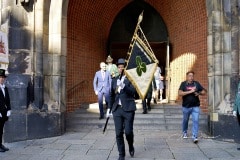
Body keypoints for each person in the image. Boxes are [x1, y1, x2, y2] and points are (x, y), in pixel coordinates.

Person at [107, 58, 136, 160]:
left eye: (122, 67)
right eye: (119, 67)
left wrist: (123, 85)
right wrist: (109, 108)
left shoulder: (131, 78)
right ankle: (121, 154)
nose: (120, 69)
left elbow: (133, 92)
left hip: (128, 109)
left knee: (128, 132)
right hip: (117, 109)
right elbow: (111, 94)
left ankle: (131, 145)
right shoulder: (114, 79)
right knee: (118, 133)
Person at [178, 71, 206, 143]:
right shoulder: (183, 84)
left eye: (192, 76)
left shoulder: (196, 83)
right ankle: (184, 132)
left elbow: (204, 91)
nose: (191, 77)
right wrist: (190, 92)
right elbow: (180, 93)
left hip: (195, 106)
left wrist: (198, 93)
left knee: (196, 121)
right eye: (190, 76)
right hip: (186, 106)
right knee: (185, 120)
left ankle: (195, 136)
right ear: (187, 76)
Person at [0, 69, 11, 152]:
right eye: (0, 77)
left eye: (3, 78)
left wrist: (9, 109)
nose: (2, 79)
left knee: (1, 130)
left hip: (3, 113)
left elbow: (8, 100)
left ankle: (0, 145)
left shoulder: (5, 88)